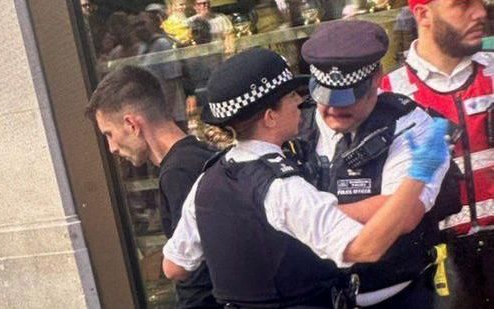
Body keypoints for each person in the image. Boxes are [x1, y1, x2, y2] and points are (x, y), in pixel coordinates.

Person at [161, 47, 449, 308]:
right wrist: (418, 176)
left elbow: (174, 267)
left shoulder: (207, 180)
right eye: (290, 97)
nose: (300, 101)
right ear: (270, 116)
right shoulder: (281, 188)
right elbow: (367, 248)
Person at [295, 20, 450, 308]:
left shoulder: (411, 125)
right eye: (324, 97)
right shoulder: (294, 122)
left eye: (347, 98)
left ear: (376, 77)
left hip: (395, 296)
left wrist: (302, 217)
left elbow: (402, 213)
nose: (333, 109)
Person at [381, 2, 494, 307]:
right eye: (462, 5)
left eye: (481, 3)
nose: (480, 12)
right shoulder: (389, 94)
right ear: (423, 15)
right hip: (438, 262)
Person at [85, 66, 220, 308]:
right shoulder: (196, 157)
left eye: (109, 134)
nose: (112, 148)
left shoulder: (178, 173)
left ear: (132, 124)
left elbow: (195, 272)